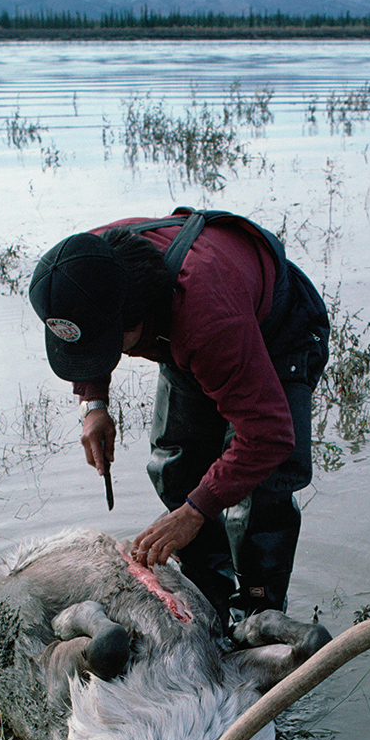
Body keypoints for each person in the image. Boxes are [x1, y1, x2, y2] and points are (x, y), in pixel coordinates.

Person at [28, 208, 329, 630]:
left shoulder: (206, 318)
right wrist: (93, 404)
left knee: (260, 493)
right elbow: (91, 327)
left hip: (278, 329)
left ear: (136, 318)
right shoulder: (81, 266)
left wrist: (195, 511)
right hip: (191, 325)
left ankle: (261, 621)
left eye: (110, 349)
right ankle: (211, 605)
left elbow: (268, 434)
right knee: (177, 468)